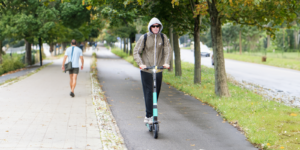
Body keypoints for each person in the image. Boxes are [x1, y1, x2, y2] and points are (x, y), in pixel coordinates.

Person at [133, 17, 171, 124]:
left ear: (160, 27)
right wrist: (141, 64)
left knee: (156, 92)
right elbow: (136, 52)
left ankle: (151, 114)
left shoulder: (163, 37)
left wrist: (166, 63)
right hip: (147, 70)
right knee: (149, 92)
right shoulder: (144, 37)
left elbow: (168, 51)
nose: (155, 28)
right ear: (150, 27)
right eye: (153, 26)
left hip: (158, 70)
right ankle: (149, 116)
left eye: (157, 26)